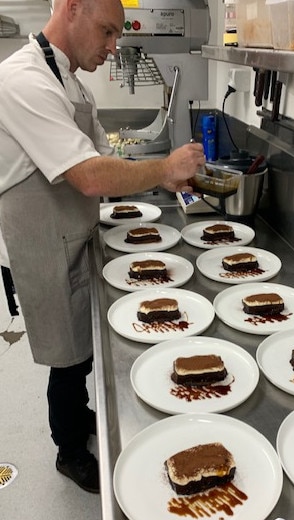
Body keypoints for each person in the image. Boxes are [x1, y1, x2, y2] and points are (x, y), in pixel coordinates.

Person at [0, 0, 205, 494]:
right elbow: (89, 176)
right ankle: (69, 452)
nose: (114, 47)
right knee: (65, 354)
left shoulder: (67, 78)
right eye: (108, 31)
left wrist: (152, 173)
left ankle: (78, 414)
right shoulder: (21, 80)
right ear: (72, 9)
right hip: (38, 240)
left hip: (71, 232)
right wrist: (163, 169)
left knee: (82, 343)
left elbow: (102, 154)